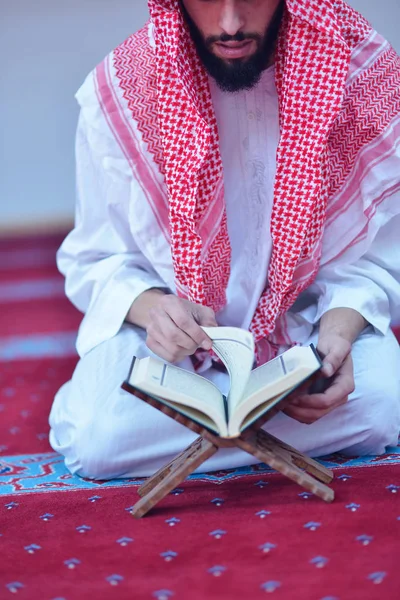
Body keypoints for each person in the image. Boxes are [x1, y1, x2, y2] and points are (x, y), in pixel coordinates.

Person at [49, 0, 400, 480]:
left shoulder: (364, 78)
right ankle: (253, 429)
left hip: (306, 335)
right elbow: (97, 258)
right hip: (172, 347)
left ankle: (205, 434)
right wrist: (154, 310)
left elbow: (377, 257)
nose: (231, 24)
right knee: (97, 438)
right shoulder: (120, 90)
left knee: (385, 403)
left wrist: (338, 332)